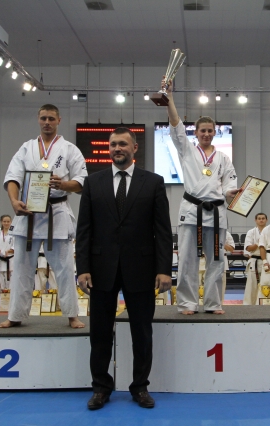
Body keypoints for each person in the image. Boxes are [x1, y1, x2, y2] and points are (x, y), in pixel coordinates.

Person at [76, 127, 172, 410]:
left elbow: (162, 230)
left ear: (134, 148)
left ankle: (140, 387)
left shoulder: (153, 182)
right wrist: (82, 267)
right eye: (113, 144)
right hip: (100, 268)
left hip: (141, 267)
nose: (117, 148)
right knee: (100, 333)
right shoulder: (92, 182)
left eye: (122, 144)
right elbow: (84, 229)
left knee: (142, 332)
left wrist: (164, 269)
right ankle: (101, 387)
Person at [0, 104, 87, 329]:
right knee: (21, 268)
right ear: (38, 119)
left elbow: (82, 182)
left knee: (65, 268)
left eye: (51, 118)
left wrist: (63, 184)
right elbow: (13, 177)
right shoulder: (26, 148)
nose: (47, 122)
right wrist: (14, 201)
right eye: (43, 118)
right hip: (28, 212)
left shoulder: (69, 149)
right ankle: (15, 315)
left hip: (57, 212)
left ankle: (72, 315)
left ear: (59, 120)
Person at [163, 79, 239, 315]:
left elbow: (229, 184)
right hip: (192, 211)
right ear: (195, 133)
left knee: (216, 260)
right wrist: (169, 98)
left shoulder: (223, 158)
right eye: (202, 130)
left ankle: (213, 303)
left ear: (215, 133)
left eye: (210, 130)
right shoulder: (187, 150)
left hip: (216, 213)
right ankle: (187, 303)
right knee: (187, 260)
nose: (206, 134)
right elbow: (175, 124)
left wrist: (231, 193)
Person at [242, 213, 267, 305]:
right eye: (259, 218)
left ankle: (264, 304)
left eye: (263, 218)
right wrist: (258, 243)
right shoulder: (251, 232)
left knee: (266, 284)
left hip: (267, 261)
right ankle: (249, 305)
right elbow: (248, 248)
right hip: (254, 261)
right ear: (255, 220)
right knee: (251, 286)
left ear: (266, 220)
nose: (261, 220)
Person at [0, 215, 15, 290]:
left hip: (10, 261)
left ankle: (10, 298)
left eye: (8, 221)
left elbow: (16, 246)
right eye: (4, 221)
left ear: (11, 222)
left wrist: (9, 251)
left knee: (10, 284)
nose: (6, 223)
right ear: (1, 222)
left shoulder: (14, 233)